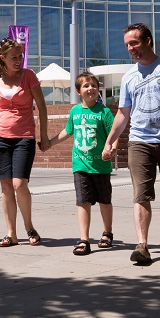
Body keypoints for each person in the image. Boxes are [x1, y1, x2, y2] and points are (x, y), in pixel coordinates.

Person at [102, 22, 160, 266]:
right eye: (128, 45)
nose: (131, 49)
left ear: (148, 41)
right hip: (139, 140)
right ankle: (142, 245)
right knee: (141, 193)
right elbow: (123, 113)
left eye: (135, 43)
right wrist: (110, 141)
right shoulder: (129, 76)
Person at [0, 37, 49, 247]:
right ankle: (11, 233)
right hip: (0, 137)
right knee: (6, 186)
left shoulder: (29, 76)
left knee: (20, 184)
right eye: (14, 57)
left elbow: (42, 107)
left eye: (21, 56)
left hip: (24, 136)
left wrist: (43, 136)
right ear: (3, 58)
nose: (19, 60)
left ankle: (29, 227)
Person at [48, 71, 114, 256]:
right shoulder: (75, 111)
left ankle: (107, 233)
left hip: (101, 165)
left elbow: (113, 134)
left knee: (104, 201)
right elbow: (67, 131)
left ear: (98, 89)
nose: (90, 88)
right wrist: (50, 143)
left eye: (93, 85)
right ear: (78, 91)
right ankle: (84, 239)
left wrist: (111, 149)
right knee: (82, 202)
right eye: (86, 86)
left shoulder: (104, 112)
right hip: (80, 164)